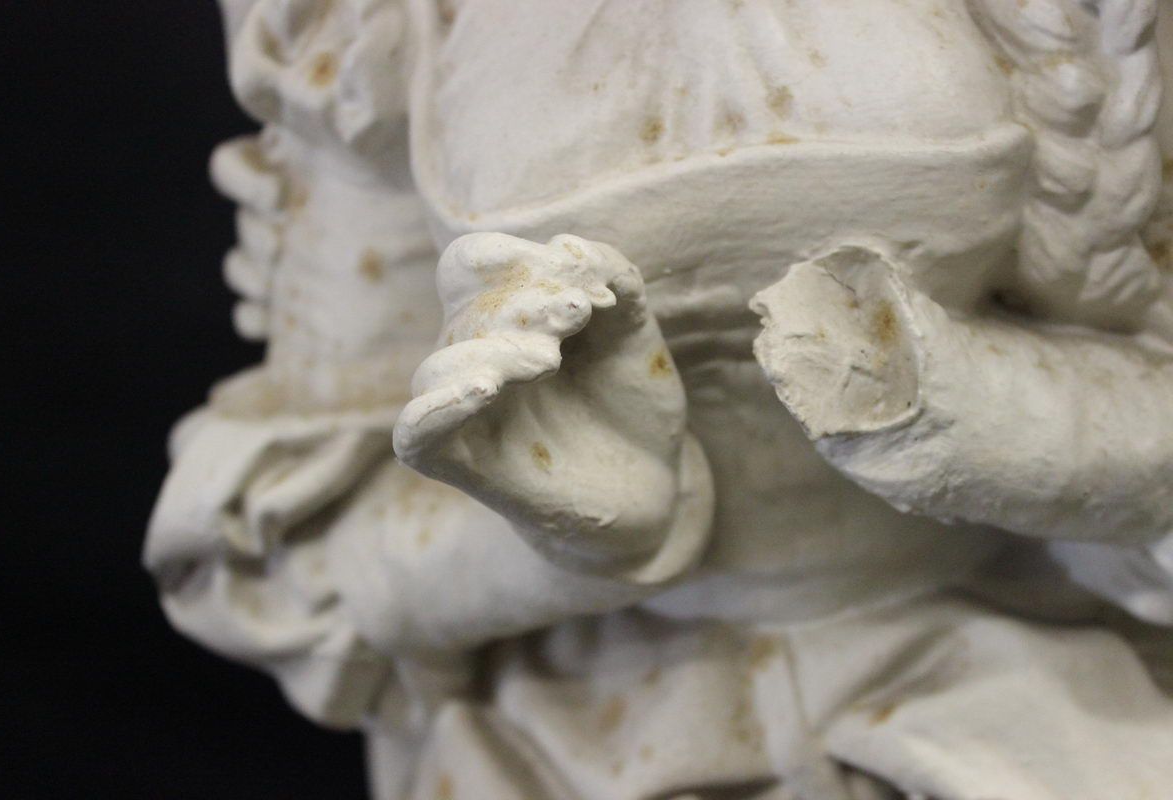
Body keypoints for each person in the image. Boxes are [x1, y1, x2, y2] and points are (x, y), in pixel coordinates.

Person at [146, 2, 1173, 797]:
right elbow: (307, 548)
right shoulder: (383, 32)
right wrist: (578, 529)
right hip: (584, 720)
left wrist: (969, 412)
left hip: (1010, 686)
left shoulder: (1087, 27)